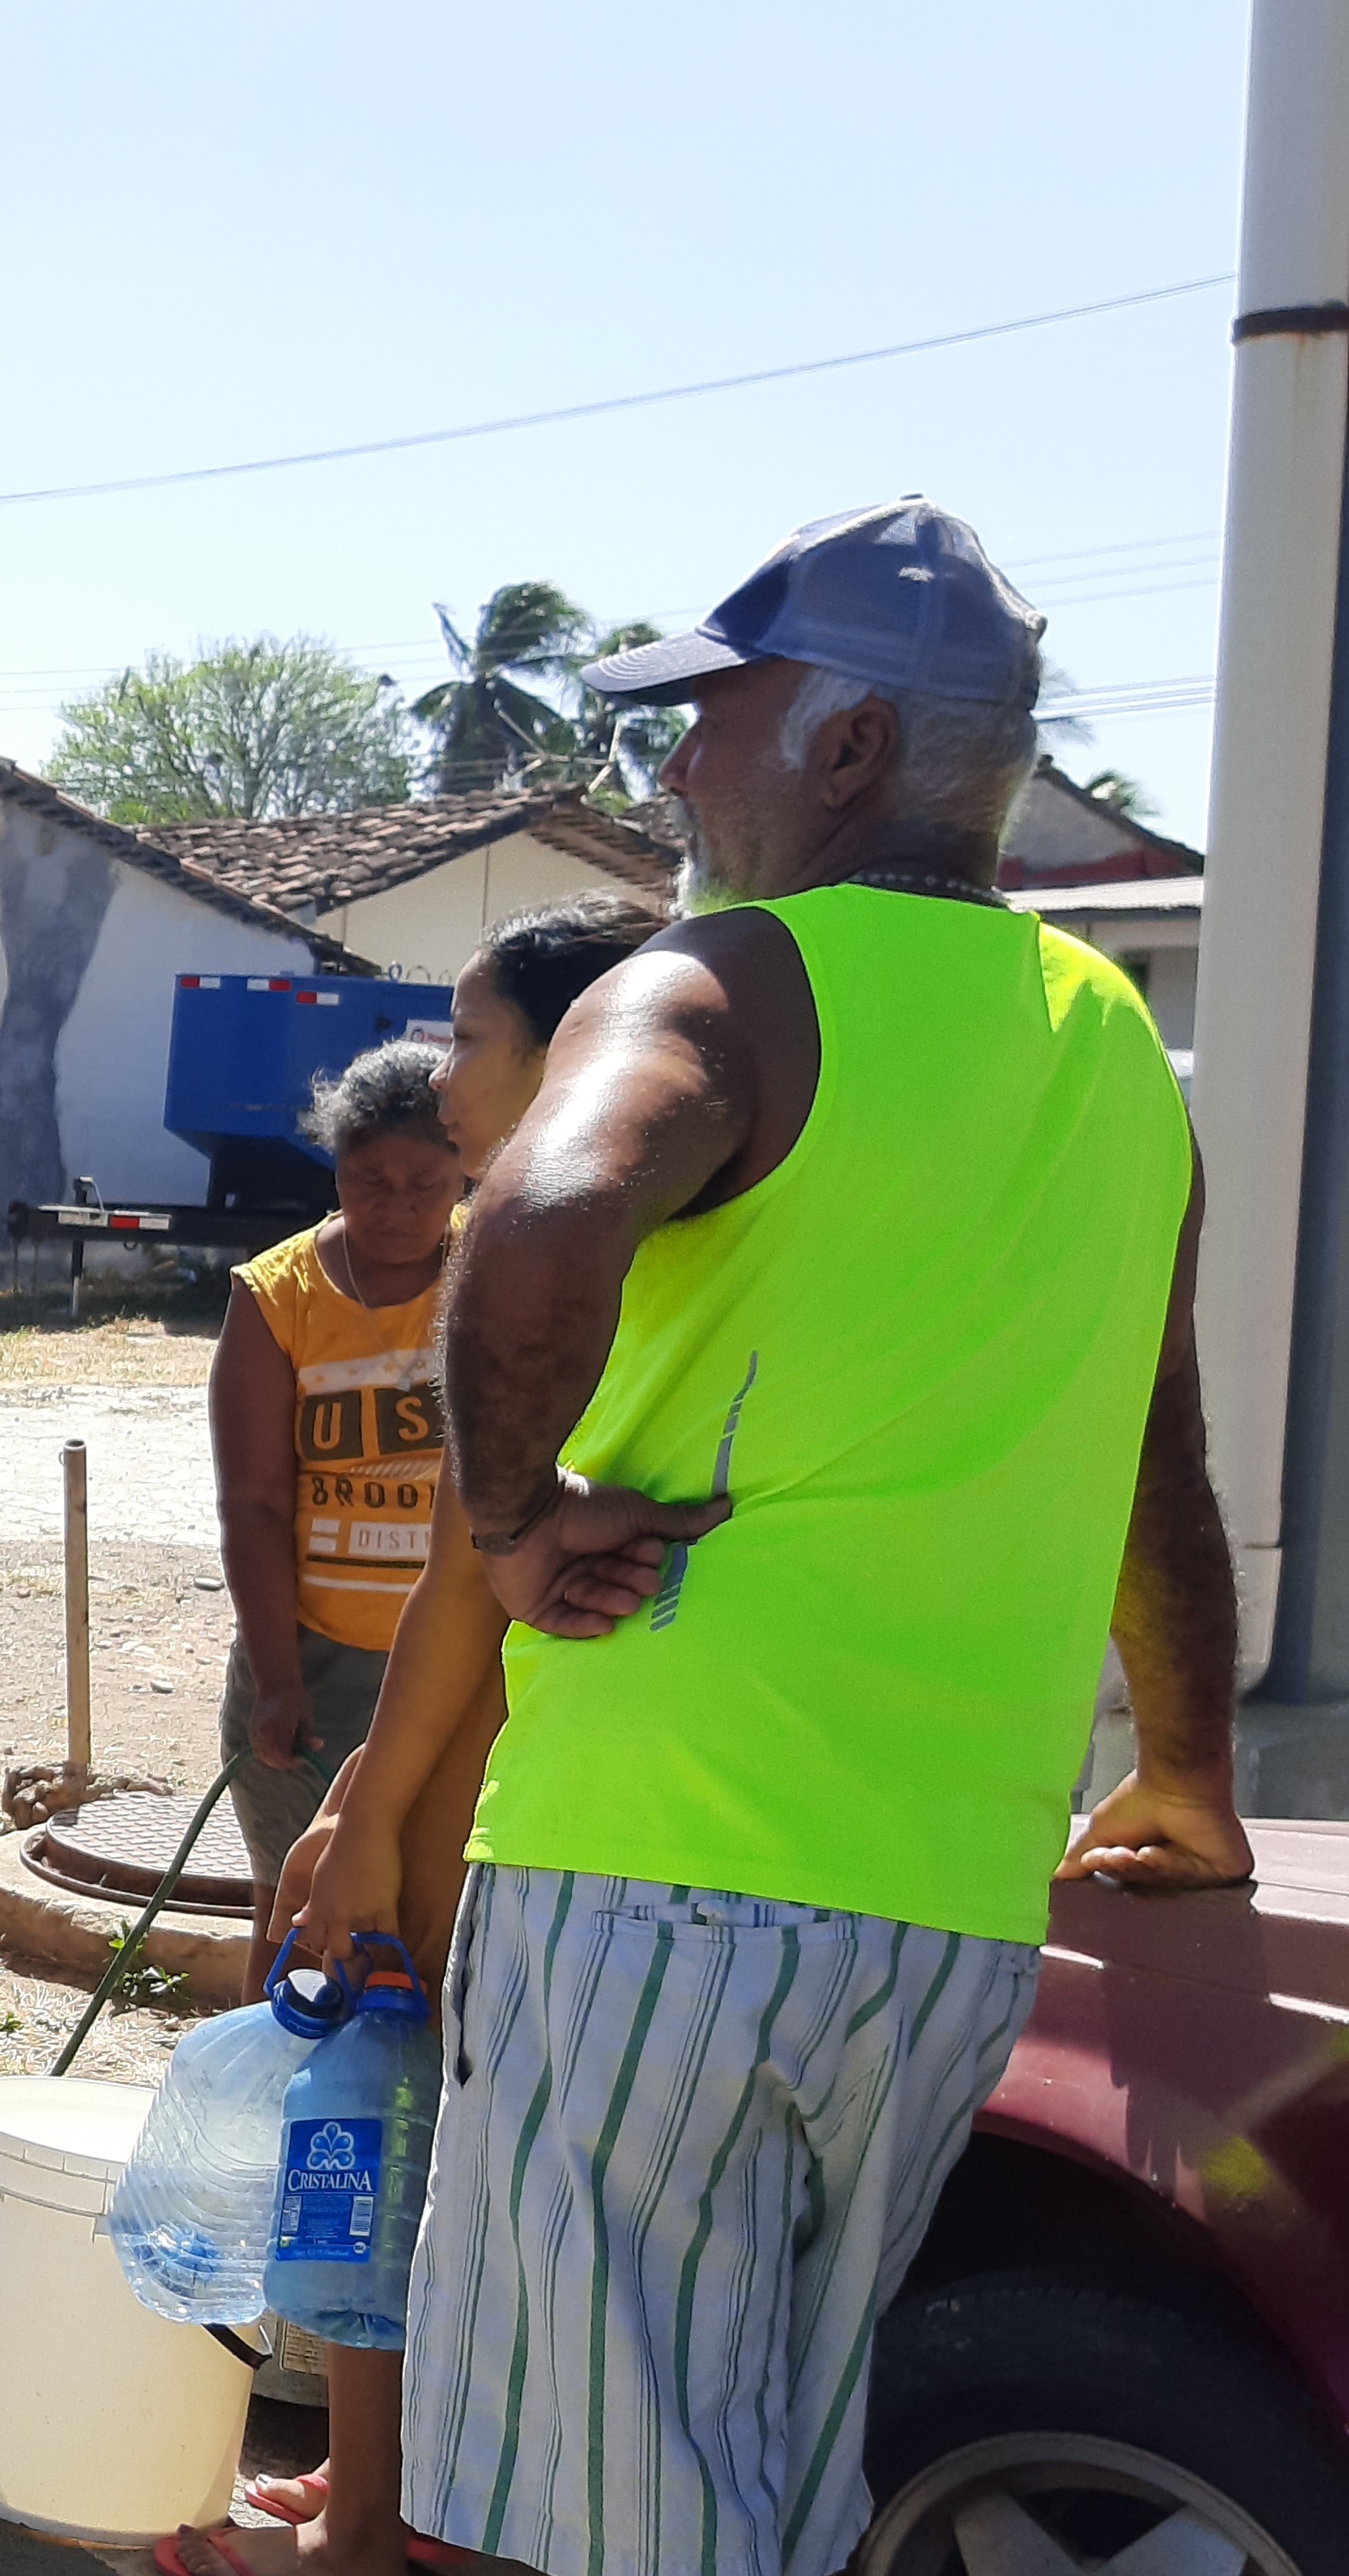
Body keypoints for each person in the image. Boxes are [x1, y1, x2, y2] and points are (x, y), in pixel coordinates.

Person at [355, 500, 1246, 2576]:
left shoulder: (728, 981)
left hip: (663, 1869)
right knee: (754, 2494)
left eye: (710, 721)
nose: (671, 769)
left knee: (547, 2511)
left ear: (846, 751)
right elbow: (1157, 1453)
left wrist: (508, 1524)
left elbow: (539, 1223)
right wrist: (1190, 1772)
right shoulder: (1112, 1045)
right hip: (941, 1911)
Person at [179, 891, 662, 2576]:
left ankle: (380, 2518)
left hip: (496, 1785)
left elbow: (485, 1558)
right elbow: (443, 1535)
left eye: (469, 1041)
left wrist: (376, 1808)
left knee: (386, 2115)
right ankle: (389, 2485)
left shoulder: (545, 1260)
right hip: (438, 1756)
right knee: (385, 2090)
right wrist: (339, 1760)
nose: (442, 1099)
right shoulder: (592, 1250)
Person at [208, 1039, 464, 1980]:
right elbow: (254, 1501)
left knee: (427, 1924)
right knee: (294, 1917)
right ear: (334, 1165)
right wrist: (278, 1678)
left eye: (424, 1185)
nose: (396, 1206)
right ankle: (270, 2112)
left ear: (462, 1171)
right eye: (369, 1180)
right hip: (315, 1668)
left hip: (452, 1661)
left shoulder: (494, 1268)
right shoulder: (277, 1298)